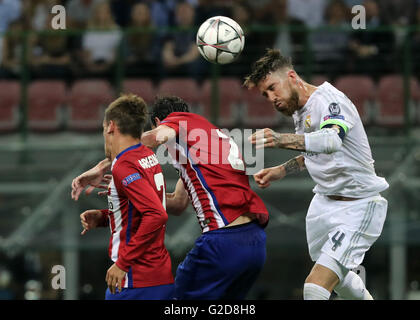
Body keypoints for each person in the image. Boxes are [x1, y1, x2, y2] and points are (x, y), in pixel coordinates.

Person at [72, 95, 269, 300]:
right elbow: (177, 203)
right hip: (254, 243)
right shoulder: (206, 142)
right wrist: (126, 202)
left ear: (158, 121)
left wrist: (103, 165)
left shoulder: (178, 121)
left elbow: (153, 138)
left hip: (223, 241)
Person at [244, 49, 388, 300]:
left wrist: (280, 139)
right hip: (324, 204)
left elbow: (331, 139)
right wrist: (283, 169)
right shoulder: (300, 110)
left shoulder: (330, 100)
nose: (271, 98)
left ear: (292, 76)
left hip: (358, 205)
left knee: (315, 287)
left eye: (273, 88)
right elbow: (316, 150)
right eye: (266, 94)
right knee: (341, 279)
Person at [75, 94, 174, 300]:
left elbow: (156, 214)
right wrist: (104, 217)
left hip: (135, 281)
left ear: (111, 126)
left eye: (103, 128)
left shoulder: (124, 165)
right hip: (156, 277)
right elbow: (140, 210)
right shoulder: (147, 156)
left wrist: (122, 263)